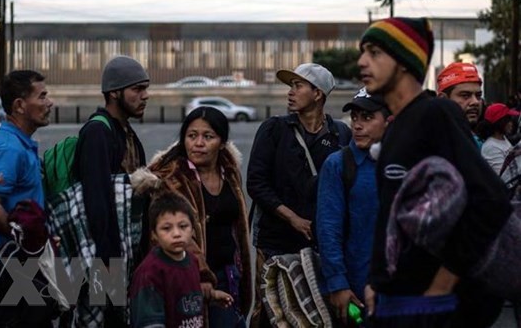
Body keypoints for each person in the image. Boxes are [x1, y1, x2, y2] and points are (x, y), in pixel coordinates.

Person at [357, 17, 512, 328]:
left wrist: (441, 286)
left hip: (433, 306)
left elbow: (492, 201)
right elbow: (391, 216)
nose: (362, 62)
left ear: (403, 61)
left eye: (374, 53)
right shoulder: (396, 125)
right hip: (396, 300)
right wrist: (377, 279)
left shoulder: (435, 114)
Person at [247, 63, 351, 327]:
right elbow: (256, 183)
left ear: (318, 94)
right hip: (274, 241)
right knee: (271, 311)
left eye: (298, 86)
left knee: (313, 311)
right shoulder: (274, 129)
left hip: (320, 244)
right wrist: (292, 217)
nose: (290, 92)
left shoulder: (340, 134)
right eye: (290, 87)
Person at [131, 106, 252, 328]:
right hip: (189, 275)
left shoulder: (230, 170)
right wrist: (203, 274)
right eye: (192, 136)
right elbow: (174, 232)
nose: (198, 143)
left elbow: (237, 226)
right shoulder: (172, 178)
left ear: (222, 142)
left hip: (231, 272)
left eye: (208, 137)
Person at [73, 55, 150, 326]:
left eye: (145, 89)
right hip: (103, 259)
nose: (145, 96)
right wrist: (109, 267)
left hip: (127, 256)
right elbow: (98, 202)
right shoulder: (98, 132)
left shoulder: (127, 134)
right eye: (137, 89)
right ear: (114, 93)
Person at [316, 88, 389, 326]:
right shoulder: (338, 164)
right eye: (355, 117)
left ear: (389, 121)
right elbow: (328, 228)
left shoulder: (404, 162)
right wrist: (337, 283)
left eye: (367, 118)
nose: (357, 125)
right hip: (356, 291)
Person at [0, 70, 53, 254]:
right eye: (42, 97)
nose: (49, 103)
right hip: (7, 263)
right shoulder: (10, 149)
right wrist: (26, 241)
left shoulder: (18, 143)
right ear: (19, 105)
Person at [130, 191, 233, 328]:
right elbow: (150, 321)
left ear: (192, 230)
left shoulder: (192, 261)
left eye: (183, 226)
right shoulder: (150, 272)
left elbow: (185, 297)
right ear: (154, 235)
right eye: (166, 228)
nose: (177, 234)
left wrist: (211, 296)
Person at [436, 62, 484, 147]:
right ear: (443, 99)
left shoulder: (475, 141)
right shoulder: (432, 145)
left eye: (478, 95)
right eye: (465, 95)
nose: (475, 102)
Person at [477, 103, 519, 174]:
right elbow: (503, 177)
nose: (511, 123)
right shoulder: (491, 147)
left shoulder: (503, 138)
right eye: (508, 120)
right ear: (500, 122)